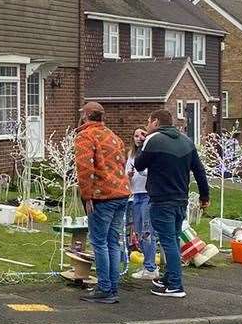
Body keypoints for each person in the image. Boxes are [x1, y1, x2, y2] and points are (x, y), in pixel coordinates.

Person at [134, 109, 210, 298]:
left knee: (168, 242)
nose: (148, 126)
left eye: (149, 122)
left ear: (156, 122)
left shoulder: (154, 139)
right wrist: (204, 197)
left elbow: (139, 165)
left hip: (161, 199)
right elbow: (199, 171)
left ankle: (175, 286)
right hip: (180, 199)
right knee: (173, 239)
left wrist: (142, 149)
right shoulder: (186, 141)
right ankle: (168, 278)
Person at [74, 102, 131, 304]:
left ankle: (105, 288)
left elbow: (84, 168)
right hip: (121, 193)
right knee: (112, 242)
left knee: (99, 242)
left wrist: (87, 195)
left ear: (87, 115)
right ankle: (112, 286)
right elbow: (122, 164)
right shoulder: (114, 136)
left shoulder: (85, 136)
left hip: (102, 195)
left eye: (82, 113)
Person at [126, 127, 158, 281]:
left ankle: (151, 267)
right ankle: (147, 264)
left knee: (147, 232)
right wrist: (129, 176)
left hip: (147, 195)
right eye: (136, 135)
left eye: (142, 135)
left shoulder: (149, 153)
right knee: (139, 232)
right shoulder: (131, 155)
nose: (139, 138)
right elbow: (127, 177)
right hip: (135, 196)